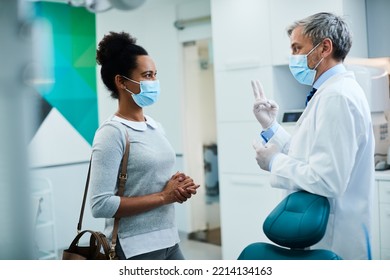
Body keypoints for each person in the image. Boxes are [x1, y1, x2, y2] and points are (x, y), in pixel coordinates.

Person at [252, 12, 375, 260]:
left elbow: (328, 180)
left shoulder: (337, 96)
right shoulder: (329, 92)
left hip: (334, 238)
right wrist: (271, 127)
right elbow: (308, 155)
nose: (293, 57)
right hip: (324, 233)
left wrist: (274, 162)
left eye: (298, 49)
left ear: (324, 47)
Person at [90, 31, 200, 260]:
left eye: (155, 75)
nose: (154, 82)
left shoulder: (155, 126)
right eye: (147, 75)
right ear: (121, 81)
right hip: (134, 248)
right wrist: (164, 196)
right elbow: (100, 205)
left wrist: (178, 185)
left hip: (170, 240)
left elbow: (153, 182)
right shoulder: (112, 132)